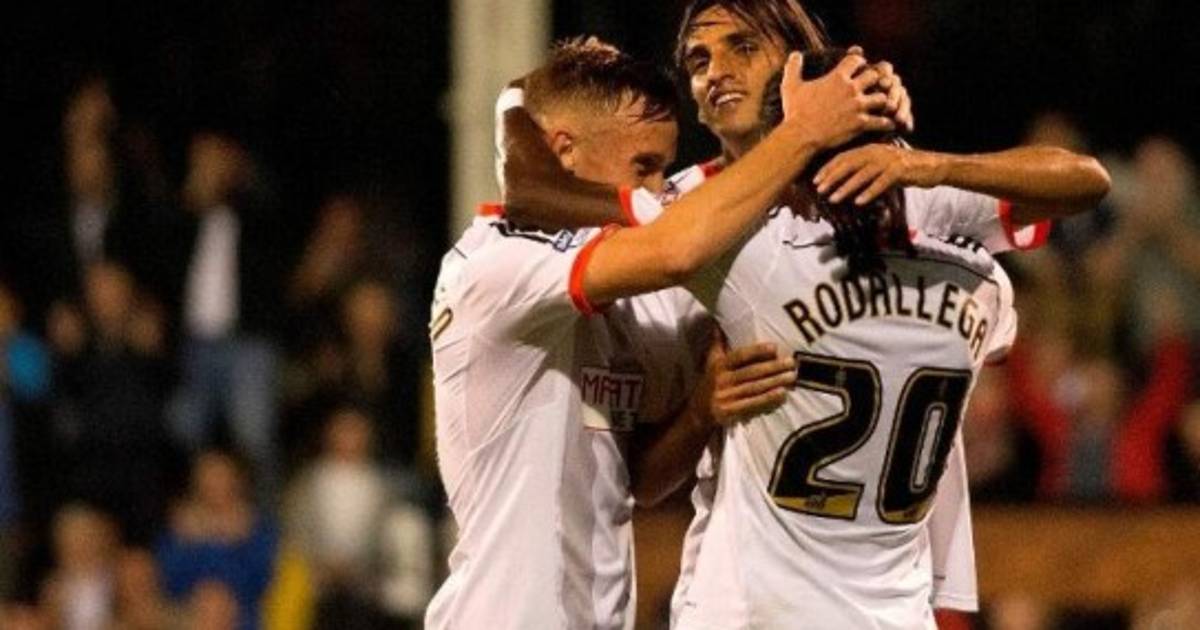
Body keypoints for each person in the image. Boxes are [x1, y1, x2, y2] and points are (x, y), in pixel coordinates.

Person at [495, 3, 1110, 627]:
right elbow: (1084, 185)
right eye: (699, 60)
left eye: (742, 47)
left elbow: (1082, 180)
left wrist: (516, 100)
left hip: (784, 594)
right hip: (863, 591)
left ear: (795, 66)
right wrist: (701, 411)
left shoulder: (740, 236)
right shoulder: (974, 273)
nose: (717, 71)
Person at [427, 37, 894, 630]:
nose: (658, 191)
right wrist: (803, 131)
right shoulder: (498, 267)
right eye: (643, 167)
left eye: (664, 169)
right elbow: (677, 249)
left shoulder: (621, 297)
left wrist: (701, 411)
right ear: (565, 152)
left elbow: (638, 482)